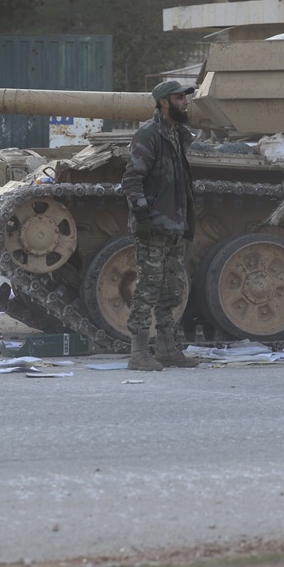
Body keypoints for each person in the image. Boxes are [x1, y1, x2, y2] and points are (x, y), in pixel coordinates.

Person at [120, 78, 200, 371]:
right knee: (148, 288)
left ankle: (167, 348)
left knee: (173, 289)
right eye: (180, 98)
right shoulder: (149, 134)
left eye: (186, 98)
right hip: (154, 225)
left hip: (175, 224)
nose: (186, 102)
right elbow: (132, 179)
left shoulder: (177, 134)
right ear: (164, 102)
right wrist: (142, 216)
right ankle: (138, 352)